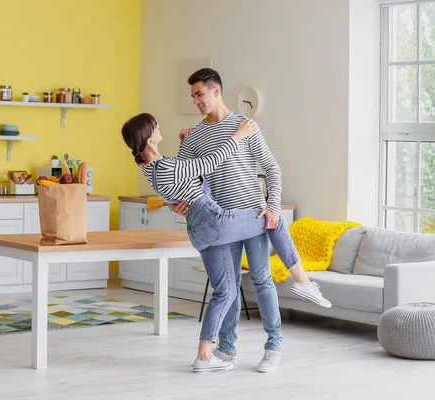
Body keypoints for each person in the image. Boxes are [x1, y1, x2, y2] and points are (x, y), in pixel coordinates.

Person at [121, 112, 331, 374]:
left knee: (225, 292)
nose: (159, 127)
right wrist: (238, 135)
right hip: (215, 220)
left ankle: (204, 357)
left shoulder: (151, 168)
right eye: (156, 126)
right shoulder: (165, 167)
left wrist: (183, 148)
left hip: (200, 231)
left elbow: (181, 178)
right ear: (149, 139)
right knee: (272, 218)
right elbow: (208, 164)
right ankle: (302, 281)